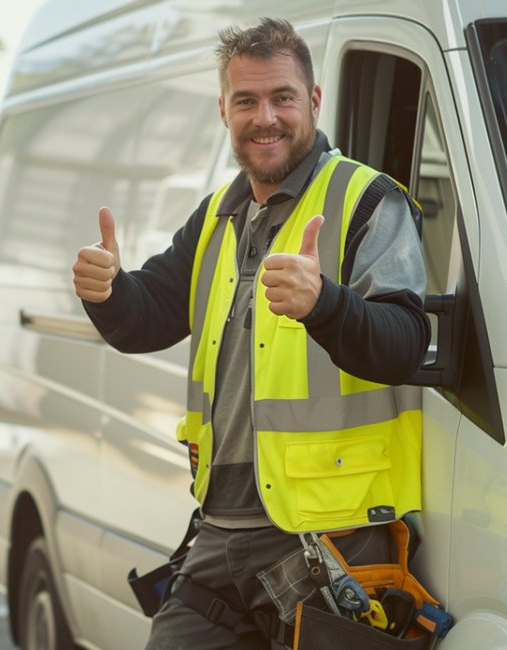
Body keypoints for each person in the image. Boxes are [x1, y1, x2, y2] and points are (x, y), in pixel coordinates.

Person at [72, 17, 429, 650]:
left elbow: (406, 342)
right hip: (218, 531)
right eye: (246, 101)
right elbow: (149, 313)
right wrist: (109, 291)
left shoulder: (370, 201)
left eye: (282, 97)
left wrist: (326, 305)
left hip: (329, 538)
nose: (265, 117)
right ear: (224, 111)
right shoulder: (217, 216)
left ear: (313, 102)